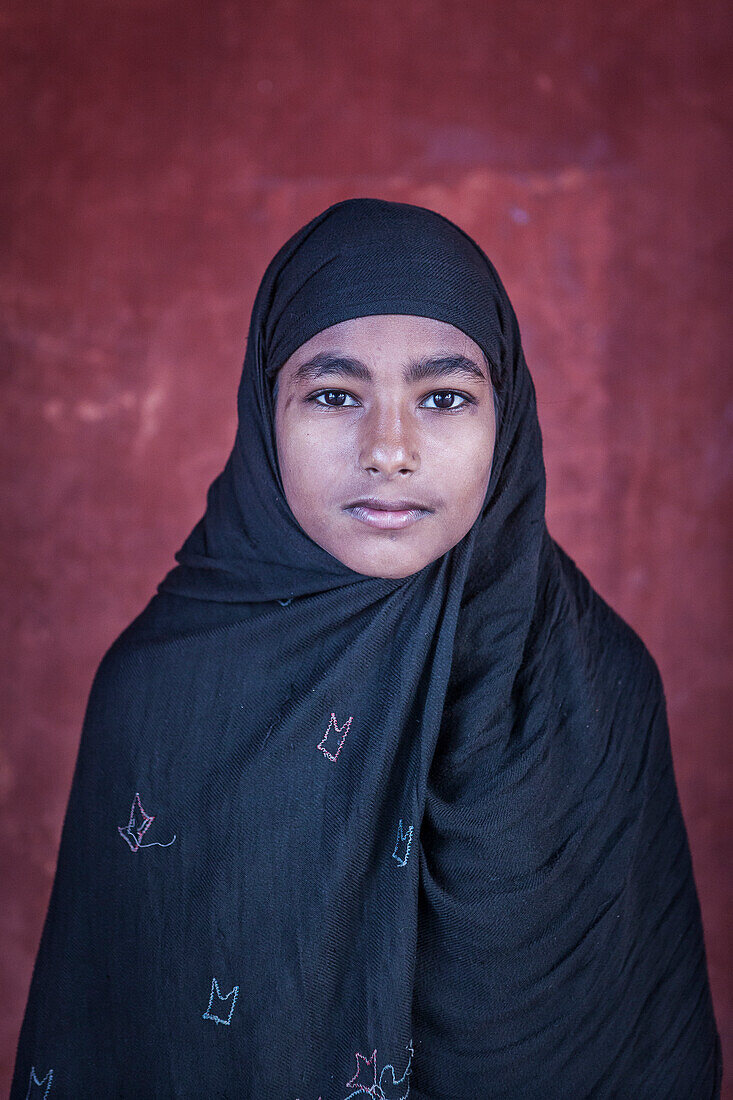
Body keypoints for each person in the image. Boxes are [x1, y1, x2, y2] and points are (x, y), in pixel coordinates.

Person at [11, 198, 722, 1098]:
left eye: (445, 397)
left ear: (508, 422)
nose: (389, 448)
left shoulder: (593, 685)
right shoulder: (160, 695)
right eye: (334, 394)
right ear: (263, 413)